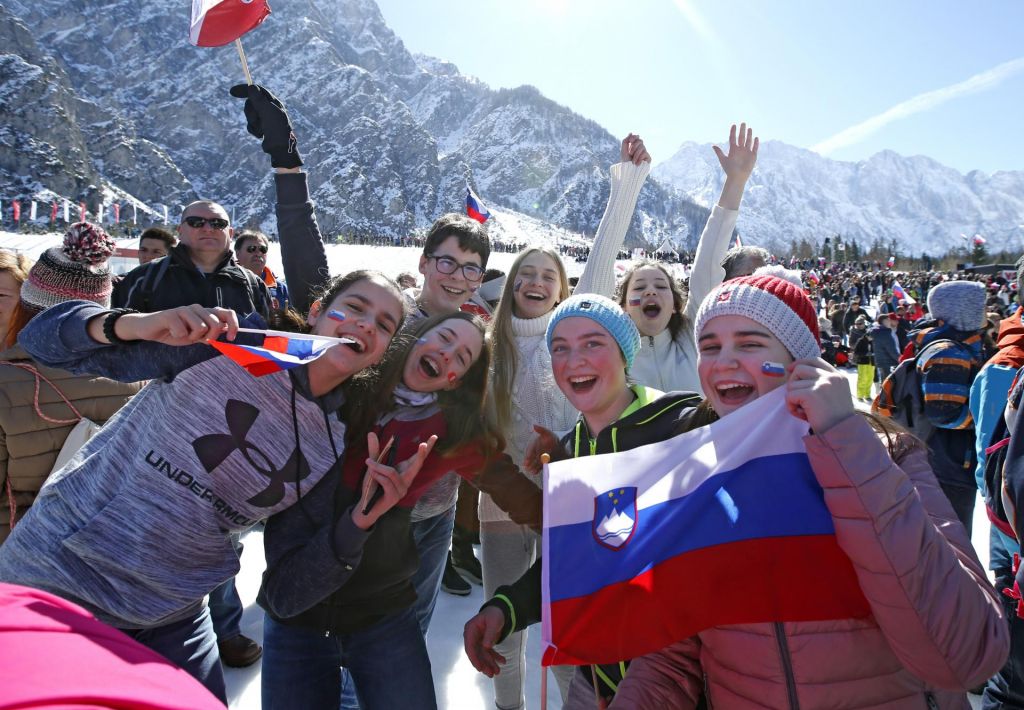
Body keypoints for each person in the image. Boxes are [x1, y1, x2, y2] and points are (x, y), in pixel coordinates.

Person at [0, 269, 411, 702]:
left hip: (172, 613)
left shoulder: (336, 440)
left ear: (381, 353)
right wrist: (135, 323)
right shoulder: (232, 350)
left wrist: (357, 525)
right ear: (316, 312)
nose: (366, 324)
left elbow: (286, 591)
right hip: (58, 578)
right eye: (355, 307)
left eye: (384, 325)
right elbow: (43, 339)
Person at [604, 269, 1006, 707]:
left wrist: (846, 443)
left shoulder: (887, 456)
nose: (724, 361)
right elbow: (672, 657)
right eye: (710, 347)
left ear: (801, 361)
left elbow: (967, 656)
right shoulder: (697, 484)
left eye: (751, 343)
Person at [258, 311, 543, 710]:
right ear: (412, 339)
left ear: (456, 381)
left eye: (462, 358)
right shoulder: (348, 387)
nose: (447, 355)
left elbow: (518, 495)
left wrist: (576, 526)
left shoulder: (452, 433)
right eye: (443, 339)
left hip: (382, 613)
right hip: (296, 606)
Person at [481, 132, 662, 709]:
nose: (536, 281)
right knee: (505, 621)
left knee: (571, 621)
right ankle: (507, 705)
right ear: (512, 285)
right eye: (526, 273)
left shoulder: (571, 336)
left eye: (548, 275)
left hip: (573, 497)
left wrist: (627, 183)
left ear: (564, 288)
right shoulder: (487, 344)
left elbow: (605, 254)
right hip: (505, 502)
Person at [464, 293, 703, 706]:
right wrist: (506, 608)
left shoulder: (680, 423)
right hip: (594, 680)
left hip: (679, 682)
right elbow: (573, 560)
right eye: (560, 348)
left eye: (593, 343)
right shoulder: (572, 450)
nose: (574, 359)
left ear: (625, 354)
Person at [0, 228, 143, 545]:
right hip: (109, 551)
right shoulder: (139, 376)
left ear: (26, 304)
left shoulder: (8, 380)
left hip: (22, 556)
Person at [617, 123, 759, 394]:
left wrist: (735, 181)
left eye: (661, 287)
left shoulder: (692, 333)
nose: (650, 292)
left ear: (674, 305)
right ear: (623, 305)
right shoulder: (612, 351)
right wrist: (625, 184)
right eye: (639, 287)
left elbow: (708, 261)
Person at [970, 257, 1024, 707]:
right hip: (1009, 523)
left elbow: (984, 448)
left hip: (1002, 519)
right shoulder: (1008, 369)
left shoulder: (997, 366)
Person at [113, 200, 271, 323]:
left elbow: (268, 339)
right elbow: (118, 340)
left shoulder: (254, 284)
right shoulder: (144, 278)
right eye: (196, 222)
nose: (208, 228)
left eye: (218, 224)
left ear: (230, 233)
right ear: (180, 232)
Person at [234, 229, 290, 310]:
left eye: (262, 249)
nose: (258, 253)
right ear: (237, 254)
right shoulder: (225, 284)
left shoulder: (281, 289)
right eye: (252, 248)